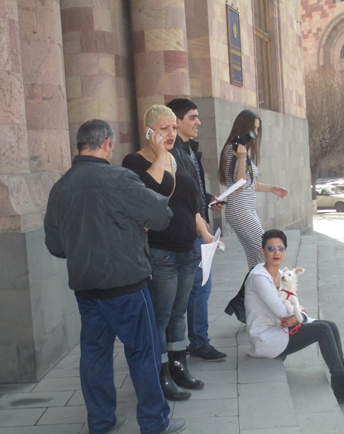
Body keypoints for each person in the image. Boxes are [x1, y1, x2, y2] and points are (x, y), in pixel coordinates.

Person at [44, 119, 186, 434]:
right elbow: (161, 215)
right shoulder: (118, 178)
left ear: (80, 145)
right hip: (126, 284)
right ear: (107, 144)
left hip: (86, 286)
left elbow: (55, 245)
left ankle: (101, 420)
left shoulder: (61, 187)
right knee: (142, 351)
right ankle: (154, 422)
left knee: (94, 354)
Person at [122, 105, 214, 401]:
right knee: (160, 316)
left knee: (178, 313)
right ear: (148, 130)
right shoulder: (134, 162)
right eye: (164, 128)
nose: (171, 134)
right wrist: (160, 155)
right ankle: (160, 374)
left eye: (174, 127)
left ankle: (178, 366)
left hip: (188, 250)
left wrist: (205, 233)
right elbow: (152, 194)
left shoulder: (177, 158)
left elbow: (191, 203)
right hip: (161, 252)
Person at [244, 229, 344, 404]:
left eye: (280, 248)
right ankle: (342, 386)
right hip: (265, 337)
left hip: (280, 327)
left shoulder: (280, 274)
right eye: (271, 248)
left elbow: (294, 305)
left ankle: (343, 378)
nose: (276, 253)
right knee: (322, 330)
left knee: (331, 326)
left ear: (285, 251)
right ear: (262, 252)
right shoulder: (259, 278)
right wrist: (299, 313)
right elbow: (281, 311)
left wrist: (301, 316)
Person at [166, 98, 228, 362]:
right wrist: (200, 225)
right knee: (199, 288)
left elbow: (192, 192)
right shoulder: (174, 153)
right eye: (192, 117)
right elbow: (180, 197)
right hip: (190, 232)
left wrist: (208, 199)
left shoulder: (189, 150)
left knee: (199, 288)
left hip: (197, 228)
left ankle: (193, 342)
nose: (199, 122)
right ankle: (197, 343)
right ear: (177, 121)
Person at [217, 110, 288, 270]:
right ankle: (267, 283)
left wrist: (272, 188)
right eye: (253, 128)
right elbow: (240, 184)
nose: (256, 133)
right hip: (240, 209)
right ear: (244, 128)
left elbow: (248, 183)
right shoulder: (232, 150)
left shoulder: (243, 150)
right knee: (265, 251)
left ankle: (255, 284)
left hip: (246, 209)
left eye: (257, 129)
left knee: (255, 255)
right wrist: (242, 159)